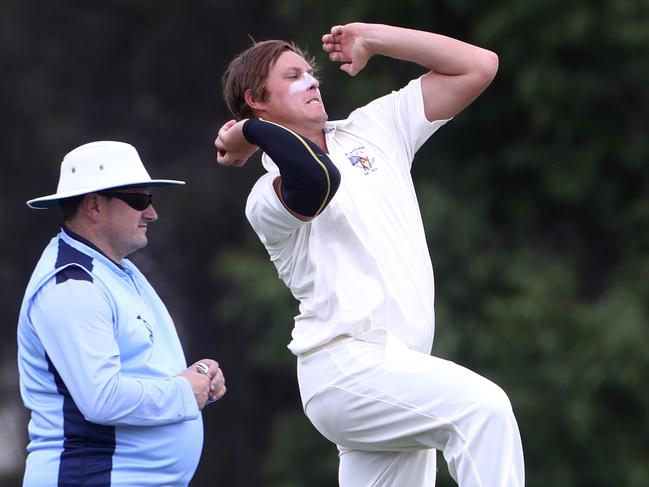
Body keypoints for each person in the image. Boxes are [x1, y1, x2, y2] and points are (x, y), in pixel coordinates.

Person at [215, 22, 523, 486]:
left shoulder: (372, 129)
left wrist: (376, 39)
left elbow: (479, 66)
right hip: (346, 367)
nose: (313, 81)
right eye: (293, 76)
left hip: (397, 372)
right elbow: (316, 179)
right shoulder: (264, 196)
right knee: (484, 411)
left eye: (312, 72)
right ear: (256, 101)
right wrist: (253, 132)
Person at [17, 141, 226, 486]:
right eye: (139, 200)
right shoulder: (72, 284)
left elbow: (139, 372)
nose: (152, 213)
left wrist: (197, 380)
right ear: (94, 206)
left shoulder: (115, 270)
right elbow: (103, 398)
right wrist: (184, 391)